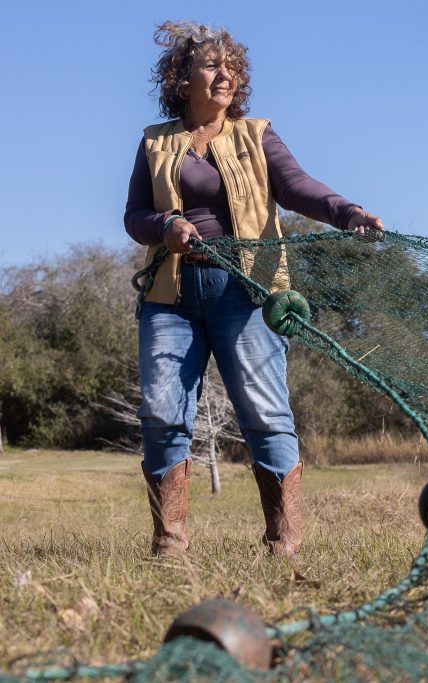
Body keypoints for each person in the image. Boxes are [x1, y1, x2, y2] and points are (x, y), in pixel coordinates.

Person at [124, 21, 383, 557]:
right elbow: (134, 216)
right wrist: (165, 227)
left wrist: (346, 212)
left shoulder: (256, 132)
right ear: (182, 76)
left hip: (245, 291)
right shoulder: (154, 141)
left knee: (266, 415)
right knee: (162, 413)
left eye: (232, 66)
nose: (226, 74)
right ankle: (169, 545)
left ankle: (282, 542)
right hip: (169, 296)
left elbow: (295, 185)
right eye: (212, 65)